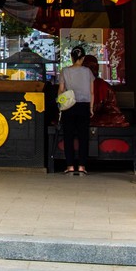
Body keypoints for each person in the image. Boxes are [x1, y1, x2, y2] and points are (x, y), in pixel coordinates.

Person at [58, 45, 95, 175]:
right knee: (83, 136)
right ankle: (82, 166)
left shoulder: (65, 71)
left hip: (69, 105)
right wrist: (91, 108)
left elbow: (61, 90)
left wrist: (60, 105)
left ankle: (70, 166)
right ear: (83, 58)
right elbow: (91, 92)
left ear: (71, 57)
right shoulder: (88, 72)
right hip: (84, 105)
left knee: (68, 136)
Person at [84, 54, 130, 127]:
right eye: (87, 67)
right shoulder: (74, 85)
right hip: (80, 118)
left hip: (98, 118)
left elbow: (114, 112)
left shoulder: (105, 87)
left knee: (119, 118)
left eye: (93, 67)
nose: (91, 71)